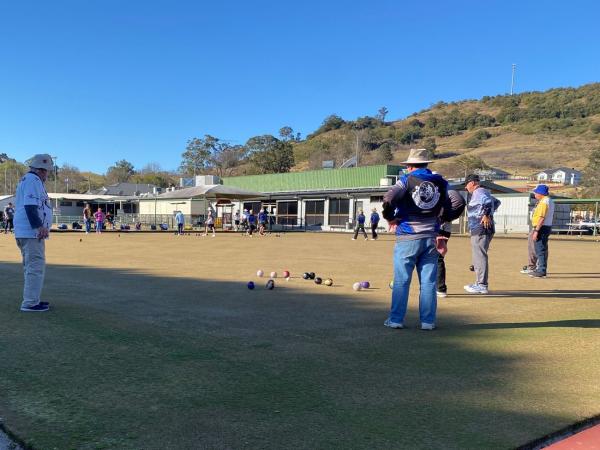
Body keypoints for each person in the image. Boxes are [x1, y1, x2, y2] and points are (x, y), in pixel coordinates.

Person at [382, 148, 449, 331]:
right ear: (426, 164)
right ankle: (428, 322)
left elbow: (388, 199)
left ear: (410, 166)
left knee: (402, 280)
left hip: (408, 236)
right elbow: (453, 204)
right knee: (428, 282)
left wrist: (390, 218)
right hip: (431, 237)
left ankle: (396, 319)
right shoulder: (441, 182)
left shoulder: (406, 181)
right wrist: (441, 224)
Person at [14, 154, 54, 312]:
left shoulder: (28, 180)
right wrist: (39, 227)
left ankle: (32, 299)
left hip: (26, 232)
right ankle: (30, 303)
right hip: (31, 232)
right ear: (40, 170)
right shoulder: (33, 180)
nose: (47, 174)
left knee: (31, 267)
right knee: (35, 267)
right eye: (46, 171)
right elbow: (30, 207)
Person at [464, 174, 501, 294]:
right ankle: (479, 283)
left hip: (481, 228)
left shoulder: (479, 191)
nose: (466, 187)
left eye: (466, 184)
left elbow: (488, 202)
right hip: (480, 228)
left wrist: (486, 215)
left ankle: (481, 285)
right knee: (478, 255)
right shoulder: (482, 192)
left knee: (480, 255)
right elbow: (497, 201)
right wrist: (488, 213)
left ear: (472, 183)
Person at [435, 190, 466, 298]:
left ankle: (440, 288)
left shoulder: (439, 191)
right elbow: (461, 202)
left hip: (437, 228)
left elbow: (460, 202)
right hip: (446, 229)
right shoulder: (449, 192)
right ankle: (439, 288)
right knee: (438, 258)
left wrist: (443, 217)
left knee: (435, 258)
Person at [522, 184, 554, 278]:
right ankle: (540, 269)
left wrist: (536, 230)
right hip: (544, 227)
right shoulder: (547, 200)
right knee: (541, 249)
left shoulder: (544, 202)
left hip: (541, 227)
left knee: (540, 249)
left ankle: (541, 270)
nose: (534, 194)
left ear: (540, 193)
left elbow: (541, 217)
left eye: (535, 192)